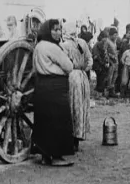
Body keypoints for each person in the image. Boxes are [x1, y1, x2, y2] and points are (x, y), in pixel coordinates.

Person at [32, 19, 75, 167]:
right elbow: (69, 66)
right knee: (58, 121)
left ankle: (45, 155)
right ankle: (57, 156)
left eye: (59, 30)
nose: (58, 33)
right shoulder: (53, 48)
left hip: (41, 86)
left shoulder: (38, 46)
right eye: (55, 30)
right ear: (47, 31)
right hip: (55, 87)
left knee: (44, 122)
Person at [61, 30, 93, 152]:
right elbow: (90, 60)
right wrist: (85, 68)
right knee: (81, 107)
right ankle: (77, 139)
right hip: (82, 76)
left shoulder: (64, 45)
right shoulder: (82, 42)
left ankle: (70, 139)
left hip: (71, 77)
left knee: (72, 107)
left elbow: (63, 63)